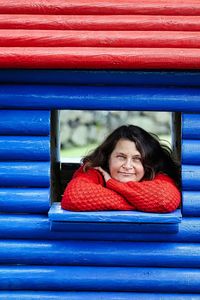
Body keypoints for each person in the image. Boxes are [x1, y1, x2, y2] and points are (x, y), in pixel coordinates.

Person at [61, 125, 181, 213]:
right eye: (121, 157)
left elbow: (165, 200)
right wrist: (141, 201)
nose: (127, 166)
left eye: (137, 159)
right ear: (108, 157)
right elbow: (73, 197)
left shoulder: (155, 173)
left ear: (148, 162)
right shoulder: (94, 170)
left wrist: (112, 183)